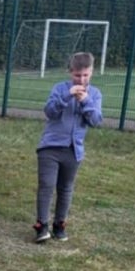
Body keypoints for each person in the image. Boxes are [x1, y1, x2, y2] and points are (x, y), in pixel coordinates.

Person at [34, 52, 103, 243]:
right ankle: (42, 225)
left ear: (91, 72)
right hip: (50, 147)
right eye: (77, 75)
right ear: (70, 72)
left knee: (65, 188)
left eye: (85, 75)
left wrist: (85, 101)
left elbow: (96, 120)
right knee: (47, 185)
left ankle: (59, 225)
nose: (81, 79)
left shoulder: (95, 94)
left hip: (74, 150)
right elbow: (50, 112)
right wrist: (67, 96)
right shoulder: (60, 89)